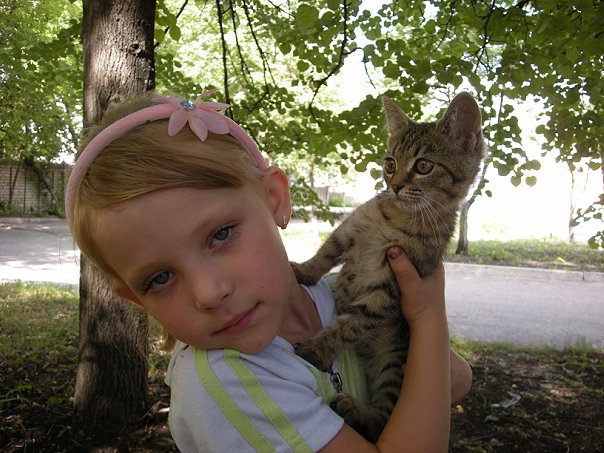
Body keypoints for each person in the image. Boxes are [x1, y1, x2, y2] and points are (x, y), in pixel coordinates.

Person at [65, 89, 472, 452]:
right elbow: (439, 385)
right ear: (136, 299)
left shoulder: (331, 295)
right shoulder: (225, 385)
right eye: (159, 279)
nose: (209, 293)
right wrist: (427, 317)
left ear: (275, 199)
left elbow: (458, 379)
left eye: (221, 234)